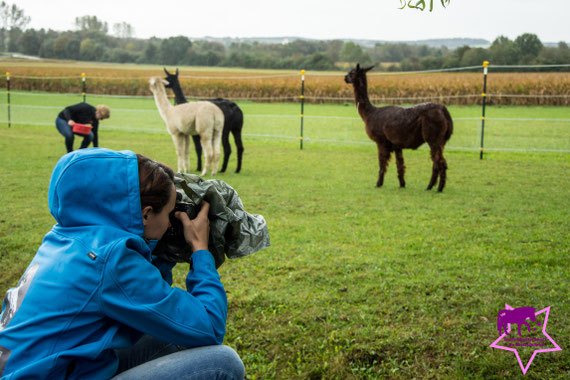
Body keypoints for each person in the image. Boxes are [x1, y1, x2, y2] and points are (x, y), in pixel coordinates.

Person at [0, 148, 245, 380]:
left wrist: (161, 251)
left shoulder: (67, 236)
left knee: (168, 335)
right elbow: (210, 327)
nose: (171, 224)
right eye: (170, 215)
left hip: (35, 369)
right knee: (222, 363)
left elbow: (143, 302)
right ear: (146, 214)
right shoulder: (110, 261)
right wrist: (200, 251)